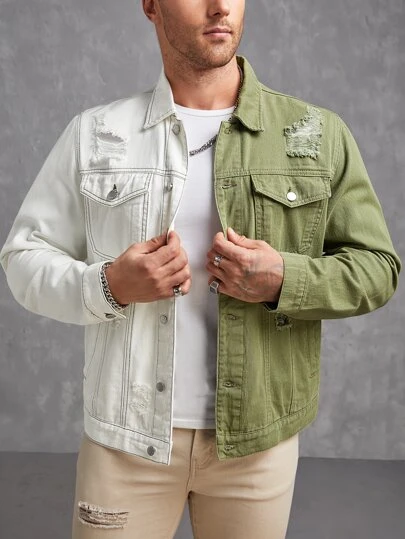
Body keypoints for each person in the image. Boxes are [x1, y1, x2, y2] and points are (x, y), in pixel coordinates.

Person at [0, 0, 401, 537]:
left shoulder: (316, 135)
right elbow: (23, 259)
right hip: (126, 442)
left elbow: (378, 268)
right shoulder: (96, 134)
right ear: (151, 5)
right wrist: (109, 285)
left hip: (257, 448)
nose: (220, 8)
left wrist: (285, 280)